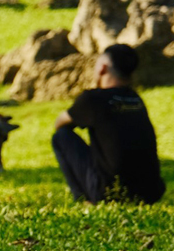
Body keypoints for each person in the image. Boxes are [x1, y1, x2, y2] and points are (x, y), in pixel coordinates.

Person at [52, 44, 165, 205]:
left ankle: (84, 199)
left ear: (102, 68)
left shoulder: (93, 99)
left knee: (61, 136)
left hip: (109, 193)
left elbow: (60, 123)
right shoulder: (135, 99)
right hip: (150, 194)